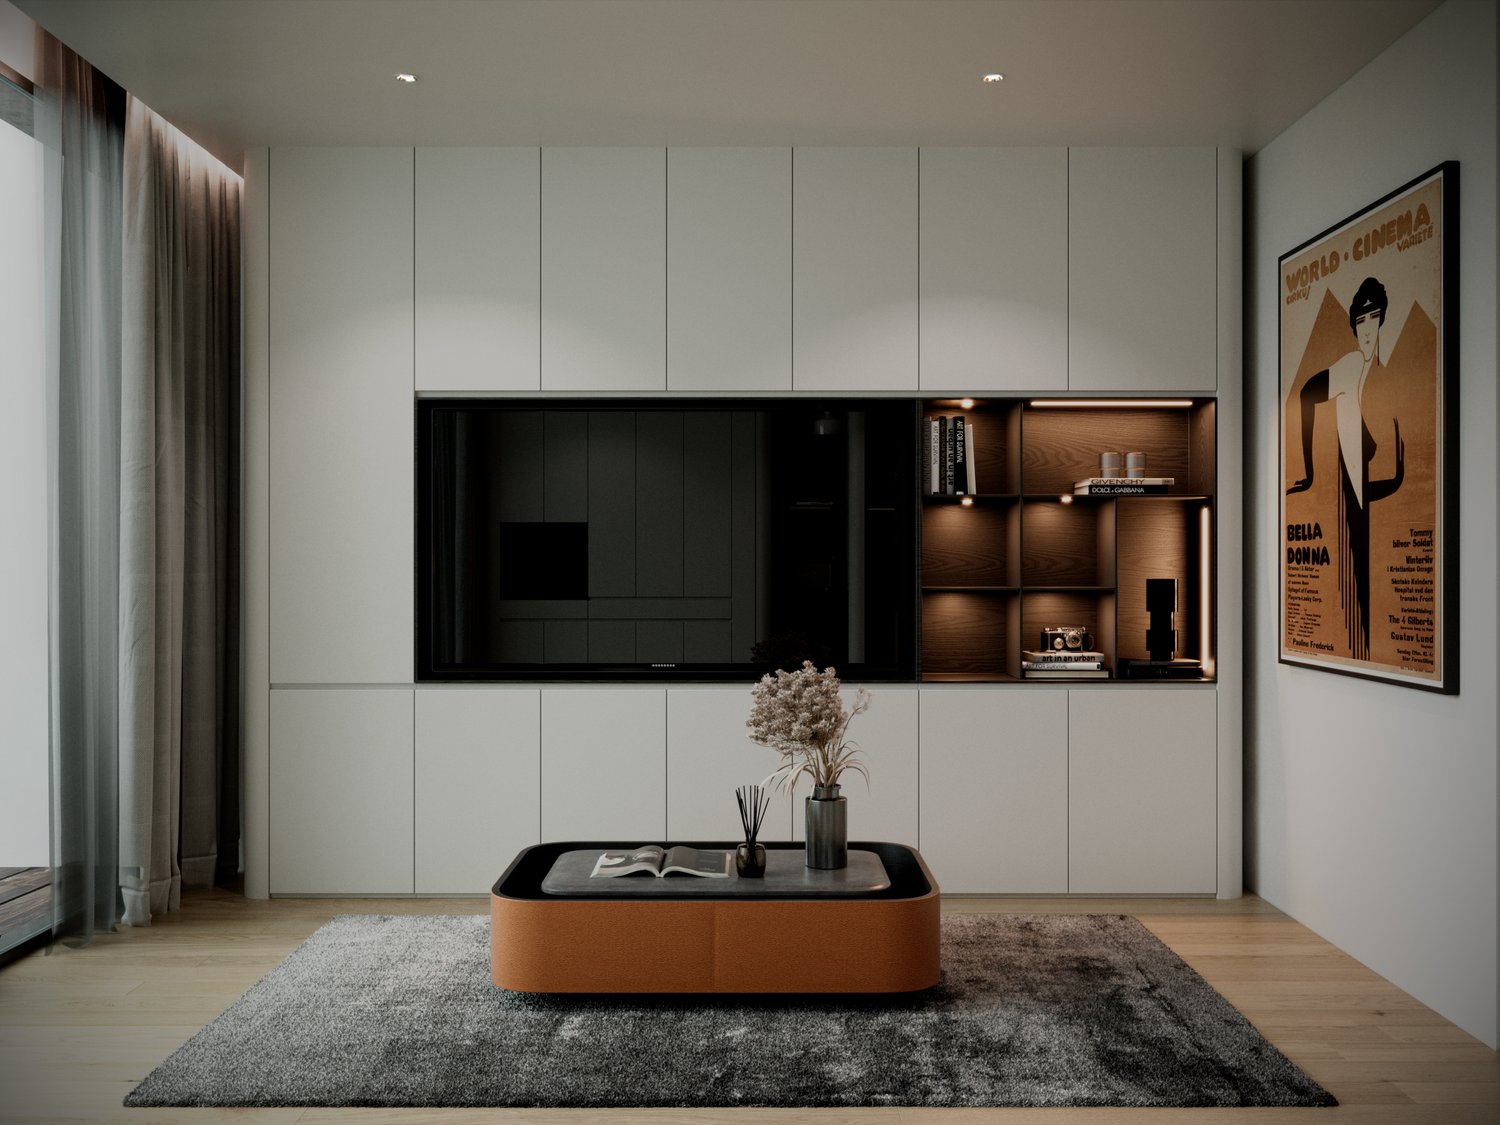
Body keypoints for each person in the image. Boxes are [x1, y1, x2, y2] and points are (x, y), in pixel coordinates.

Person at [1286, 276, 1405, 660]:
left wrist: (1389, 469)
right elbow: (1306, 396)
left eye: (1373, 317)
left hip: (1363, 491)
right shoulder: (1352, 365)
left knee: (1365, 590)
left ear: (1382, 320)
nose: (1366, 328)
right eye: (1360, 320)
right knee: (1359, 585)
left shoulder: (1377, 371)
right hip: (1352, 492)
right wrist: (1311, 473)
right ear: (1353, 326)